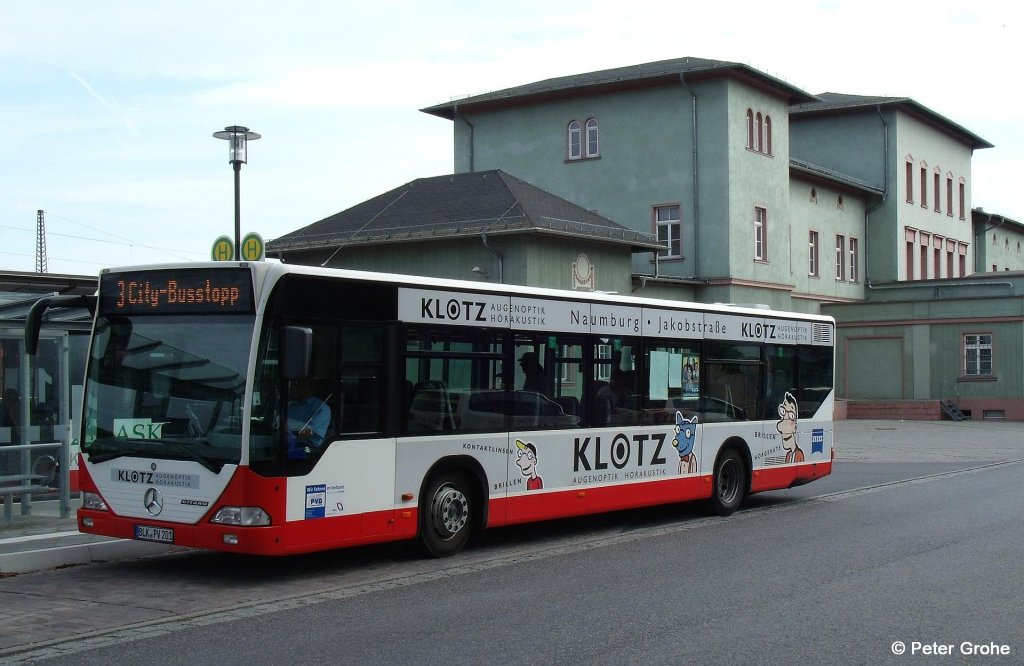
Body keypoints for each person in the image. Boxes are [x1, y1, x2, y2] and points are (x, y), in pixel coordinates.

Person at [287, 382, 332, 459]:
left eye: (300, 384)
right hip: (286, 447)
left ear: (311, 387)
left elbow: (312, 433)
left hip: (308, 453)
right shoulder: (293, 405)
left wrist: (289, 429)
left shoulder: (322, 408)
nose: (296, 388)